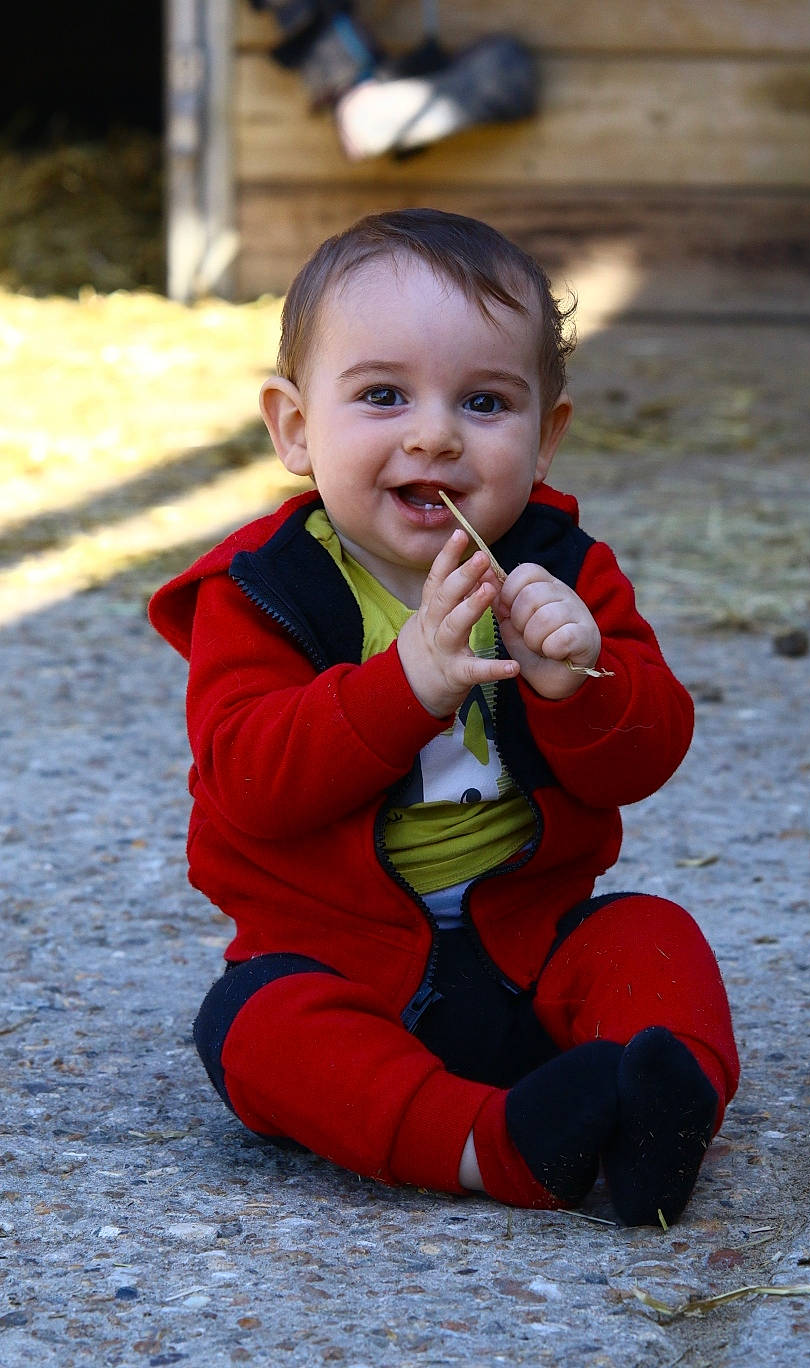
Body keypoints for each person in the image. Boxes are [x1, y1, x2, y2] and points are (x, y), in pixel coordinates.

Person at [149, 208, 739, 1224]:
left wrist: (581, 682)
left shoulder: (561, 572)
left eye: (485, 402)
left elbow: (646, 758)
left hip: (533, 945)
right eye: (383, 395)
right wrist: (408, 682)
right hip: (341, 965)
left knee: (652, 936)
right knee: (253, 1029)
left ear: (546, 437)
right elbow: (250, 782)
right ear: (295, 428)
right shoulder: (260, 594)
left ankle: (657, 1109)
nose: (435, 434)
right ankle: (492, 1146)